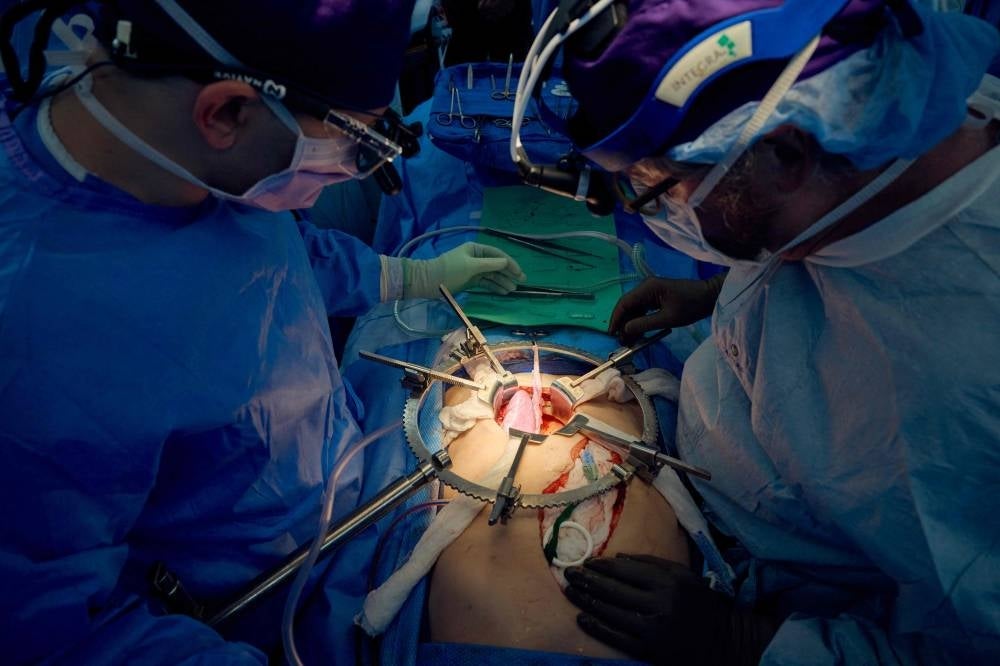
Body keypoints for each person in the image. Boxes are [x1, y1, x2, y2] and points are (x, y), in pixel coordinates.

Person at [0, 0, 526, 662]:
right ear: (224, 112)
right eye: (349, 147)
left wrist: (408, 277)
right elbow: (55, 632)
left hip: (342, 495)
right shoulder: (30, 339)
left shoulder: (189, 159)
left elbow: (282, 259)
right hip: (256, 608)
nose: (344, 172)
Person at [514, 0, 1000, 664]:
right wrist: (715, 293)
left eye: (659, 190)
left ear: (783, 153)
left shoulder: (971, 372)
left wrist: (747, 641)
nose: (652, 213)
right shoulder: (865, 144)